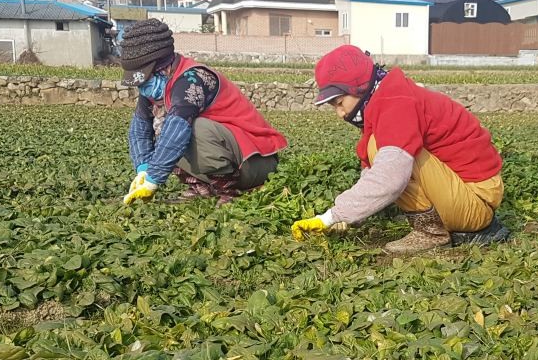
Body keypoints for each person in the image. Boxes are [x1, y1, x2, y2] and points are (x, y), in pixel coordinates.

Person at [290, 45, 510, 254]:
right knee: (381, 149)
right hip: (466, 194)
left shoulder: (397, 103)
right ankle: (433, 223)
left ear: (358, 87)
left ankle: (431, 232)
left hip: (476, 201)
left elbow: (389, 176)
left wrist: (331, 216)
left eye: (339, 102)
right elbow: (374, 172)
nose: (340, 113)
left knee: (386, 152)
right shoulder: (386, 97)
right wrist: (345, 218)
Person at [120, 19, 287, 205]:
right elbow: (140, 128)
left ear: (164, 68)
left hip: (255, 164)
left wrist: (153, 180)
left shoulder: (192, 79)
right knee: (161, 126)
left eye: (146, 80)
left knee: (187, 129)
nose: (143, 89)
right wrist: (143, 169)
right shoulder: (154, 91)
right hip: (231, 156)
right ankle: (202, 187)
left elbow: (176, 131)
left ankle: (228, 191)